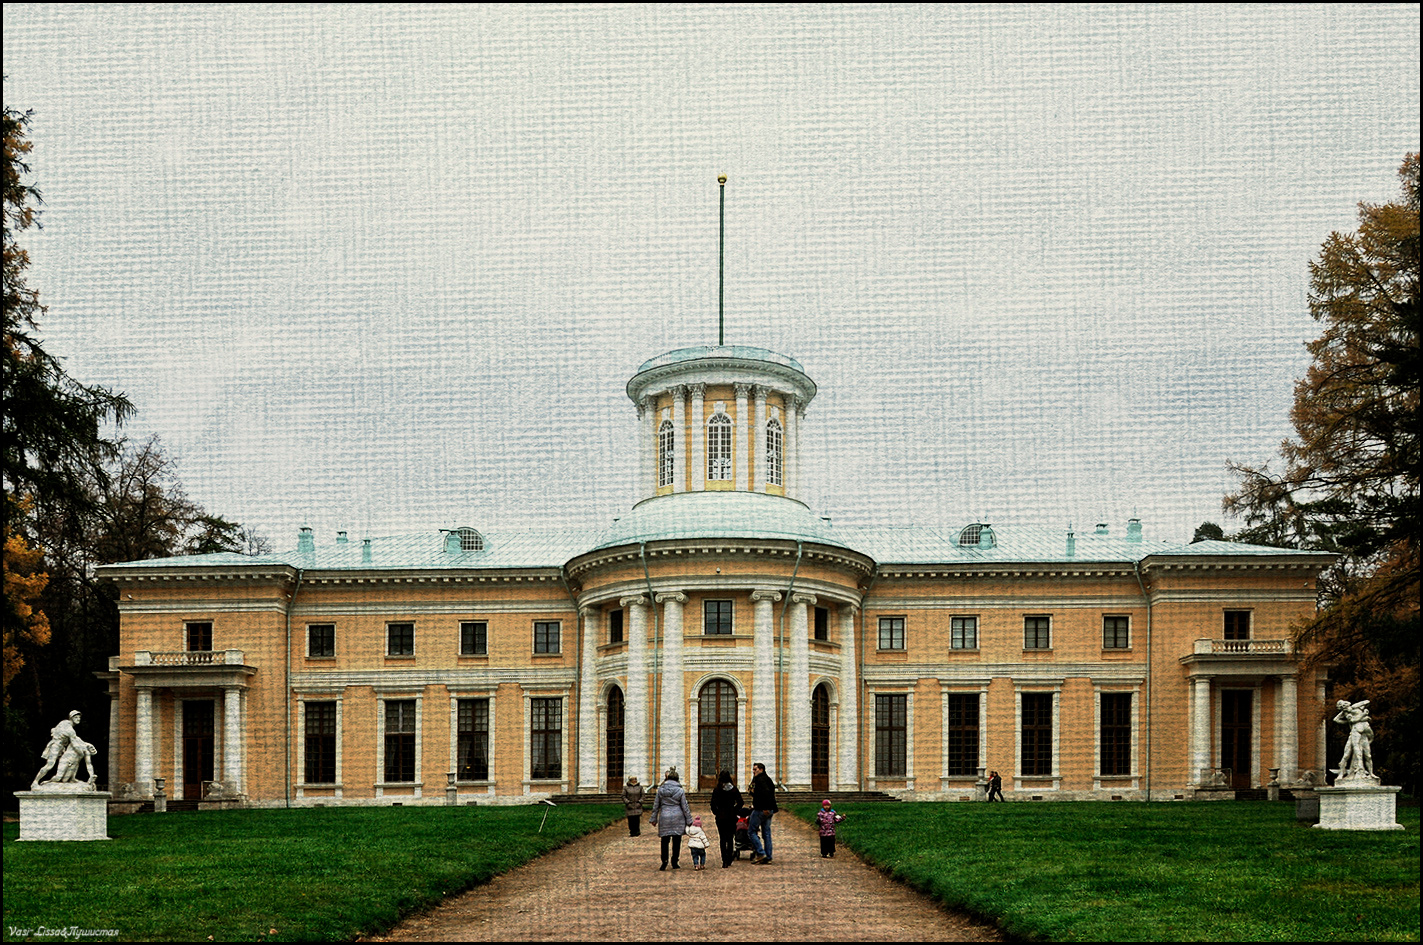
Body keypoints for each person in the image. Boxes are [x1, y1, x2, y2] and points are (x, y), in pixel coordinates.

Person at [32, 710, 94, 788]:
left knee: (66, 763)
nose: (78, 719)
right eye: (76, 717)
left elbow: (74, 739)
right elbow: (75, 745)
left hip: (61, 747)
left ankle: (71, 778)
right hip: (56, 746)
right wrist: (82, 754)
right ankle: (35, 782)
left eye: (79, 717)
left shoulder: (64, 723)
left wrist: (86, 745)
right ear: (71, 718)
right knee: (49, 765)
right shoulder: (70, 730)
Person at [650, 767, 692, 871]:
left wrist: (653, 818)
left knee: (665, 840)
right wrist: (689, 820)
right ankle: (675, 861)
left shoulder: (661, 790)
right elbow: (685, 807)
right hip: (678, 816)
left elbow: (656, 805)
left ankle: (664, 861)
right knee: (677, 840)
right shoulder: (680, 790)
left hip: (665, 815)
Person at [708, 768, 744, 868]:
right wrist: (735, 810)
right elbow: (740, 802)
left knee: (722, 838)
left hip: (721, 816)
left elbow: (712, 804)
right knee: (730, 838)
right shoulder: (734, 789)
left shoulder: (717, 790)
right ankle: (729, 858)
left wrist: (716, 812)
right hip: (731, 816)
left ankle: (724, 860)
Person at [747, 761, 778, 864]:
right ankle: (768, 856)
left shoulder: (760, 780)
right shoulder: (767, 779)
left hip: (761, 809)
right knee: (766, 833)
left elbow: (766, 794)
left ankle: (761, 853)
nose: (753, 771)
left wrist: (765, 807)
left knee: (751, 831)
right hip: (769, 809)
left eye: (755, 769)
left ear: (761, 769)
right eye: (753, 769)